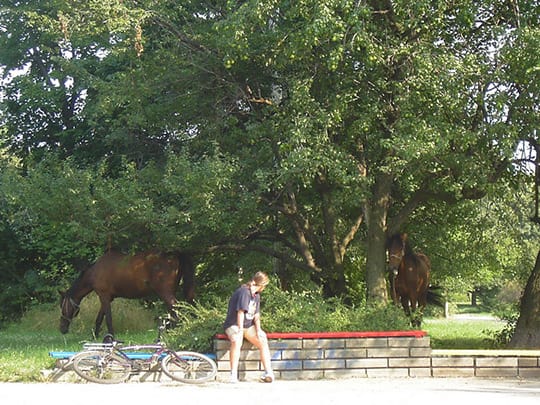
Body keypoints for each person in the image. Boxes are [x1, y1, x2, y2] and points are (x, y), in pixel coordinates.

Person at [223, 271, 274, 383]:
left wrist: (259, 330)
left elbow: (256, 314)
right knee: (236, 341)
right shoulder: (244, 292)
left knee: (263, 340)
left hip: (248, 325)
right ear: (261, 285)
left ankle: (268, 372)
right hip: (234, 324)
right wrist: (240, 330)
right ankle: (233, 374)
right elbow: (240, 312)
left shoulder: (256, 296)